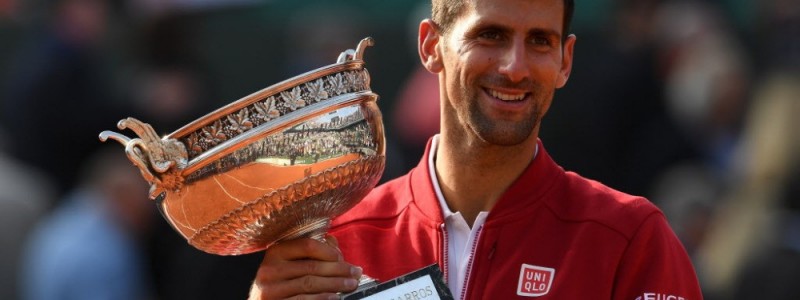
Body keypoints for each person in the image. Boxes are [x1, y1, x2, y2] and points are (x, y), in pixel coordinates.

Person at [249, 0, 703, 299]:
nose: (515, 68)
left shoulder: (630, 239)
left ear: (565, 61)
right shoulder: (337, 243)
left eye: (540, 42)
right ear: (431, 46)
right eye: (491, 35)